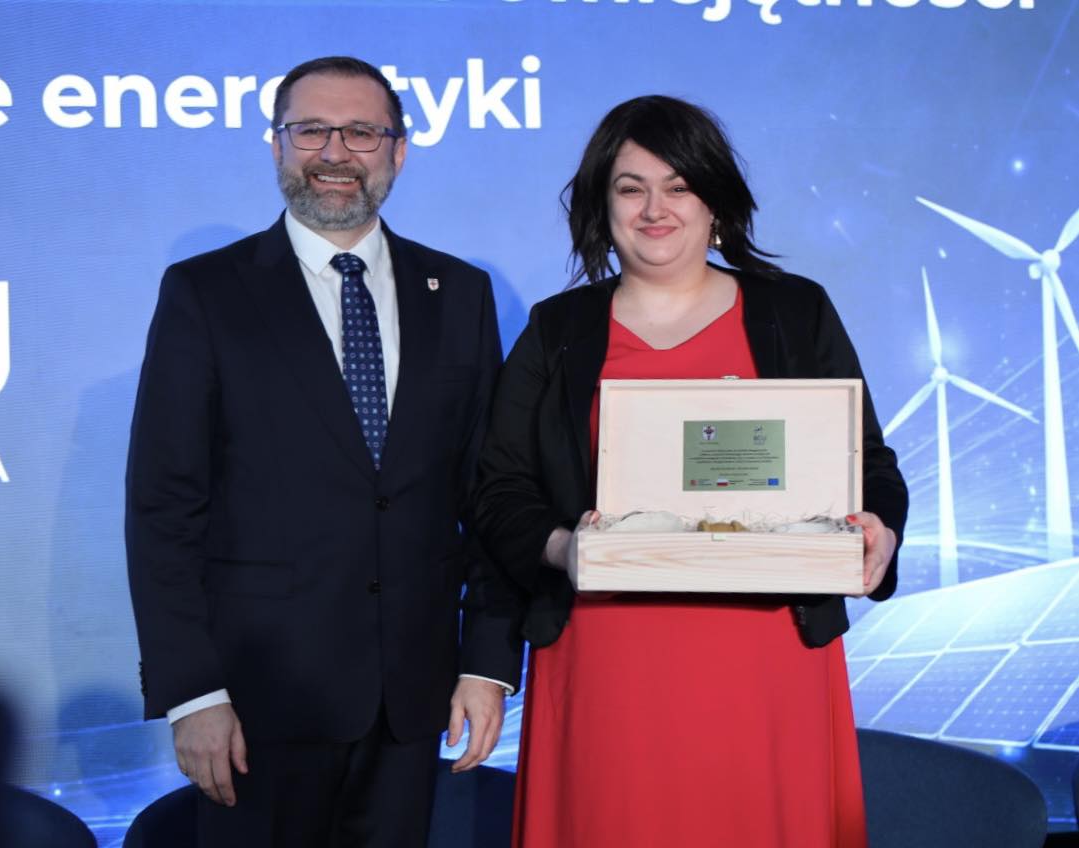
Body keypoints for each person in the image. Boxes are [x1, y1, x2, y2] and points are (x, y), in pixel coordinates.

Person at [473, 95, 908, 847]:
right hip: (606, 660)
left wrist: (881, 529)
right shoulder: (557, 329)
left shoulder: (794, 312)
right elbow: (499, 489)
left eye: (678, 186)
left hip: (768, 660)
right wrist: (564, 549)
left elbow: (868, 464)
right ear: (601, 206)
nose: (655, 209)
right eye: (630, 188)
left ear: (715, 203)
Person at [125, 56, 523, 847]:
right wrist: (192, 693)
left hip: (411, 702)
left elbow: (488, 494)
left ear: (398, 150)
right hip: (255, 705)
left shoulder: (460, 294)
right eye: (310, 130)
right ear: (276, 145)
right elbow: (164, 506)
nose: (335, 153)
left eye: (361, 132)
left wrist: (486, 663)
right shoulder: (206, 292)